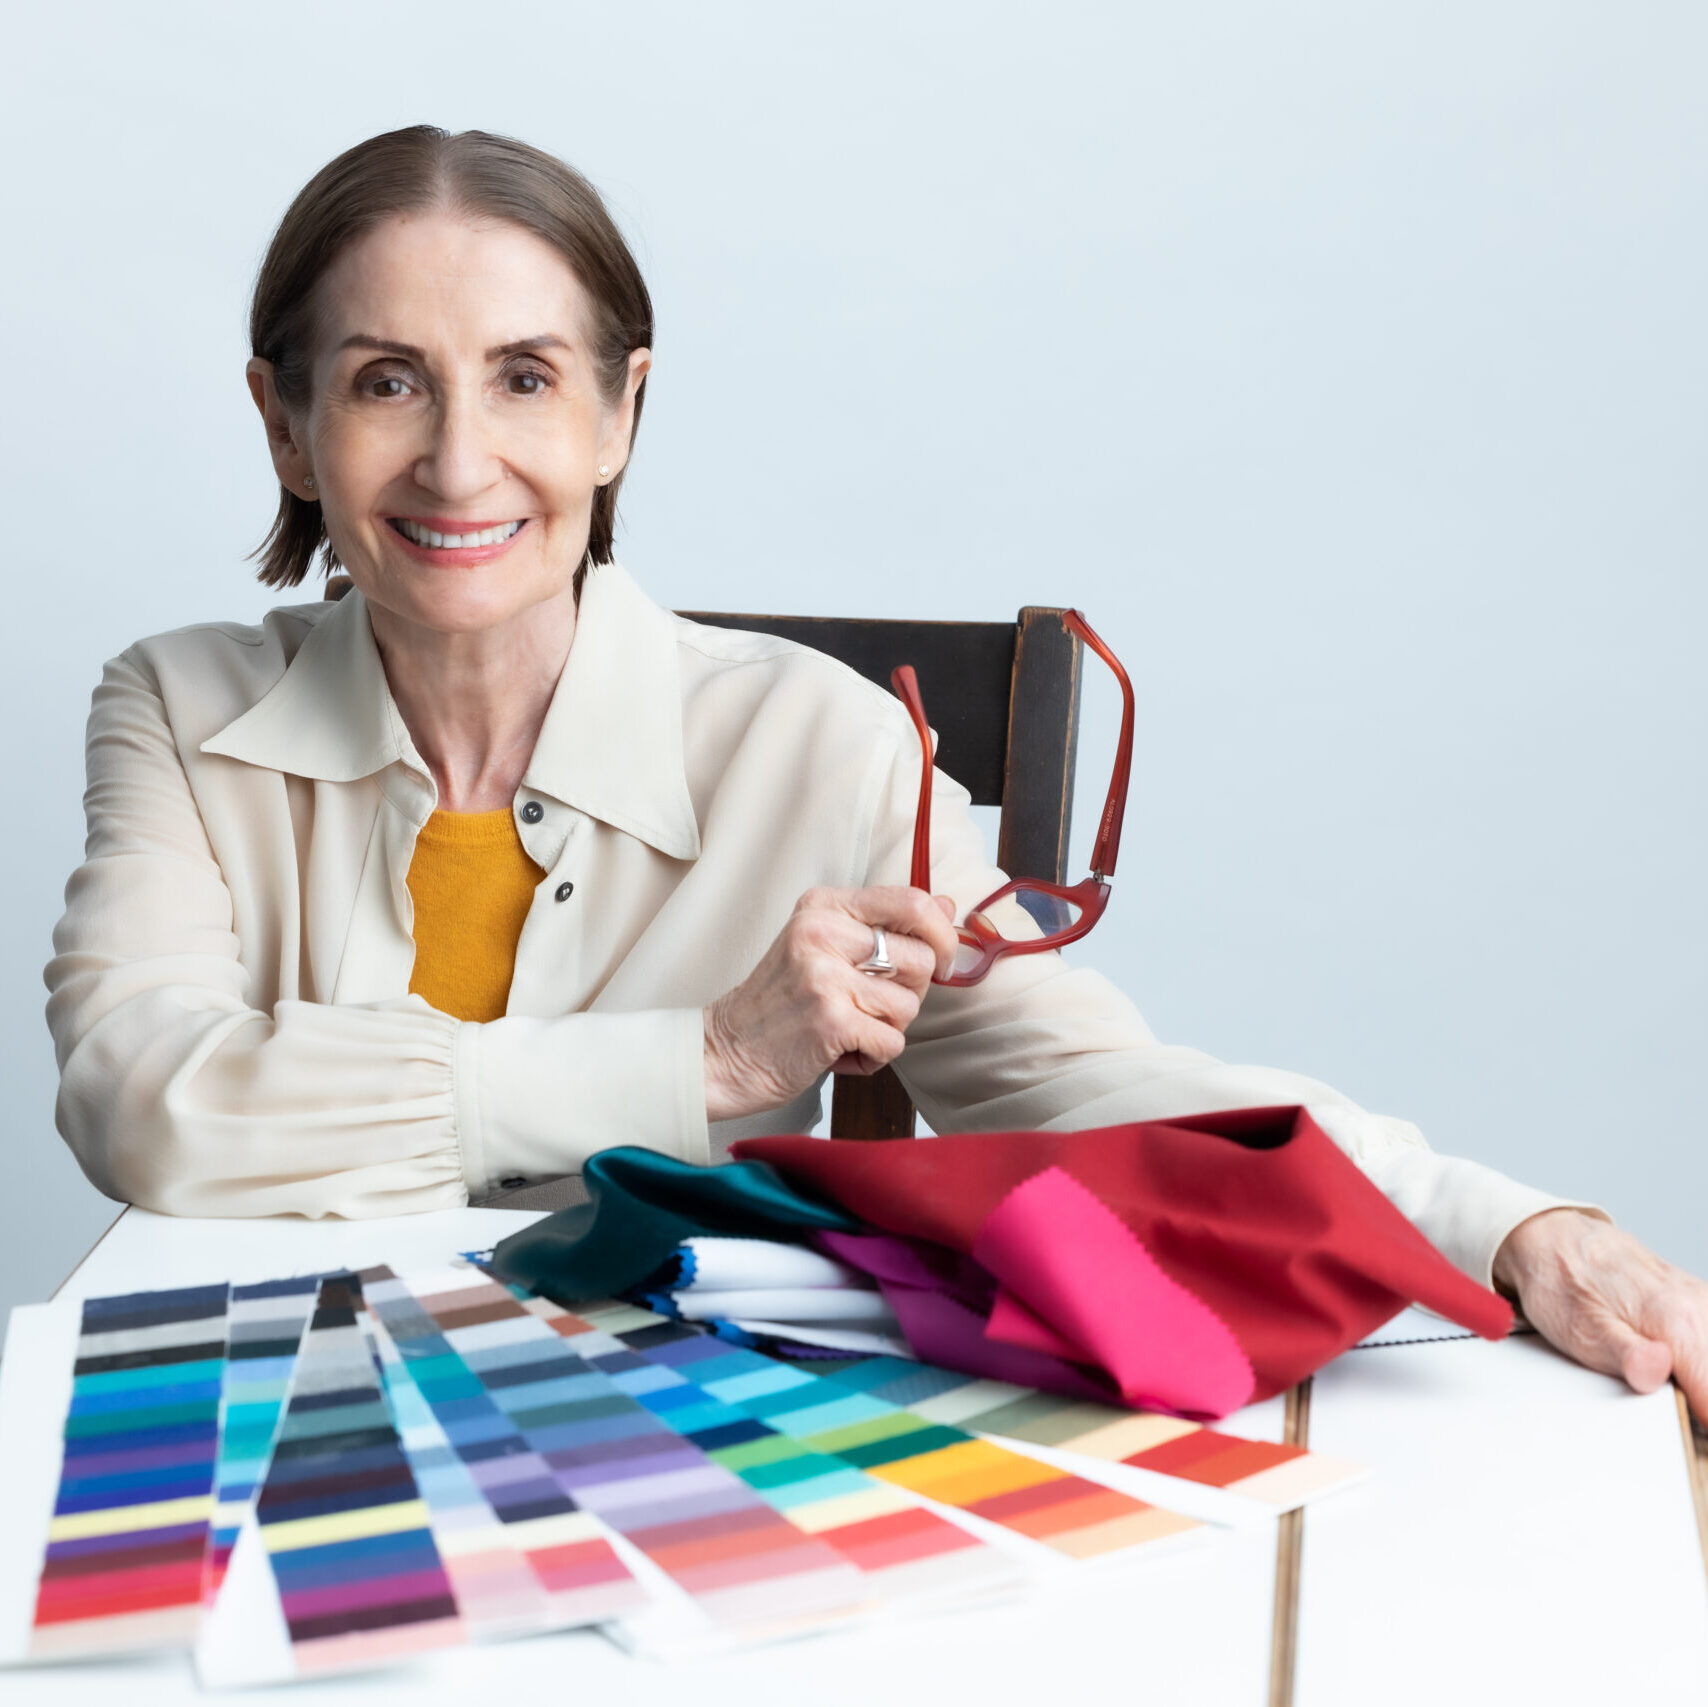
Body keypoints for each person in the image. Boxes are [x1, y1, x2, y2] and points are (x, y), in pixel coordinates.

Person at [44, 126, 1708, 1416]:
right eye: (386, 381)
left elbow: (1089, 1084)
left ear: (621, 415)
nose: (462, 460)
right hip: (272, 1410)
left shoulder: (824, 739)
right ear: (285, 425)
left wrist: (1496, 1223)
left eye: (529, 379)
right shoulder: (177, 711)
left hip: (671, 1428)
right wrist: (697, 1059)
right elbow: (144, 1100)